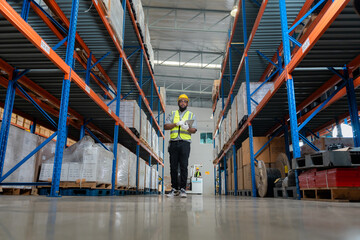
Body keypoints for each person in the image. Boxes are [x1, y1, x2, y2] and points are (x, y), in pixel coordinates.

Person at [164, 94, 197, 198]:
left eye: (185, 101)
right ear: (178, 103)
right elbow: (165, 126)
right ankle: (174, 189)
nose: (183, 103)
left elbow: (194, 130)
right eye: (181, 101)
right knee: (173, 167)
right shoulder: (173, 114)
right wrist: (176, 124)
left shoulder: (191, 115)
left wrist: (186, 128)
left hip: (185, 143)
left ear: (187, 103)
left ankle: (183, 189)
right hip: (173, 143)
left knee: (183, 166)